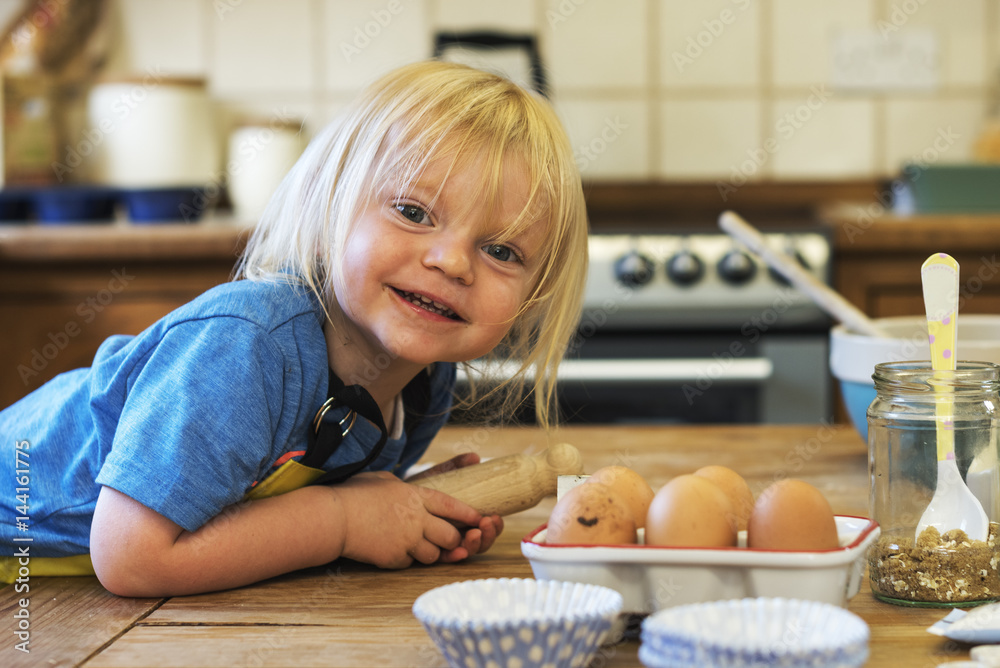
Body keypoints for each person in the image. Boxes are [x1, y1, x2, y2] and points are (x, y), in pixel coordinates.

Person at [0, 60, 589, 597]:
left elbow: (264, 516)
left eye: (501, 251)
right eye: (412, 212)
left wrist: (404, 509)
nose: (452, 262)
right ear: (331, 204)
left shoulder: (422, 384)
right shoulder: (245, 347)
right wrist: (344, 523)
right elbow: (132, 558)